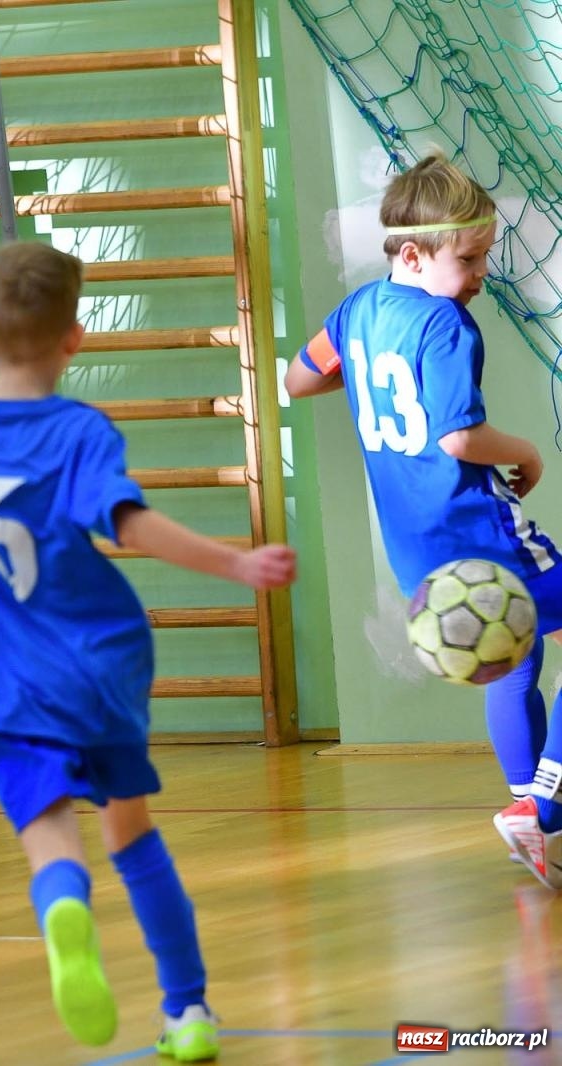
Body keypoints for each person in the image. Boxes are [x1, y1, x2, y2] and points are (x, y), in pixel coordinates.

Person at [0, 241, 296, 1059]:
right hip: (103, 663)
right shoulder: (81, 431)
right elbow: (129, 524)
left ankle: (63, 908)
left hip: (5, 683)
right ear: (74, 339)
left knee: (50, 832)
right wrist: (234, 561)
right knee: (134, 835)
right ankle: (187, 1013)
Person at [283, 152, 562, 888]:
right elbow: (460, 440)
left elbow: (298, 378)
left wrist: (366, 363)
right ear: (413, 252)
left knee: (514, 655)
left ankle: (524, 812)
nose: (480, 275)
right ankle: (545, 810)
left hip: (417, 549)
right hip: (480, 529)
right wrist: (527, 451)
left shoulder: (359, 311)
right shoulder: (446, 326)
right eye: (469, 259)